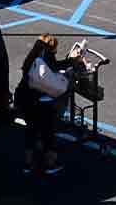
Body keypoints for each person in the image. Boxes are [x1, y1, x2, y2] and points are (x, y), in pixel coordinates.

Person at [17, 35, 71, 176]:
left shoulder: (33, 58)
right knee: (48, 133)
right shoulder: (47, 58)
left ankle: (28, 164)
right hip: (41, 103)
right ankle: (50, 164)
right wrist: (71, 61)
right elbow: (55, 69)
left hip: (25, 100)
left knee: (31, 131)